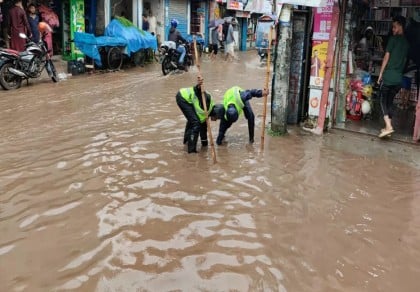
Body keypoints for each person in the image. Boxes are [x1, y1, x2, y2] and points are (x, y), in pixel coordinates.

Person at [377, 16, 409, 138]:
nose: (393, 30)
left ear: (400, 25)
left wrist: (380, 74)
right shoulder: (406, 43)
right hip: (398, 79)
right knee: (390, 102)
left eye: (394, 27)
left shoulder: (393, 40)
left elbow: (386, 57)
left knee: (382, 99)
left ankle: (389, 126)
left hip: (389, 75)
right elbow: (405, 61)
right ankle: (387, 128)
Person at [176, 77, 221, 153]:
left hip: (188, 100)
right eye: (217, 118)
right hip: (183, 97)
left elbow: (203, 128)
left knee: (193, 120)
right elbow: (198, 91)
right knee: (195, 123)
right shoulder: (206, 103)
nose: (216, 120)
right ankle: (191, 151)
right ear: (215, 113)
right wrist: (199, 85)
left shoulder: (208, 112)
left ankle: (186, 142)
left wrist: (205, 144)